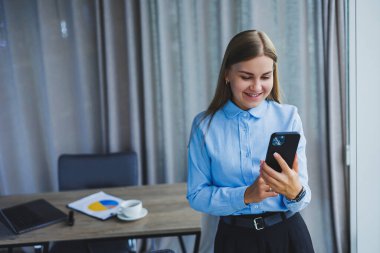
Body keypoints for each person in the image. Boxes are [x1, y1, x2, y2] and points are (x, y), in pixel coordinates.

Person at [187, 30, 314, 253]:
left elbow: (302, 197)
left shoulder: (289, 118)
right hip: (234, 241)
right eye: (246, 77)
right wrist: (246, 195)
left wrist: (296, 192)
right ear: (227, 74)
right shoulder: (204, 126)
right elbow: (197, 195)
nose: (256, 87)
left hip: (288, 237)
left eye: (265, 76)